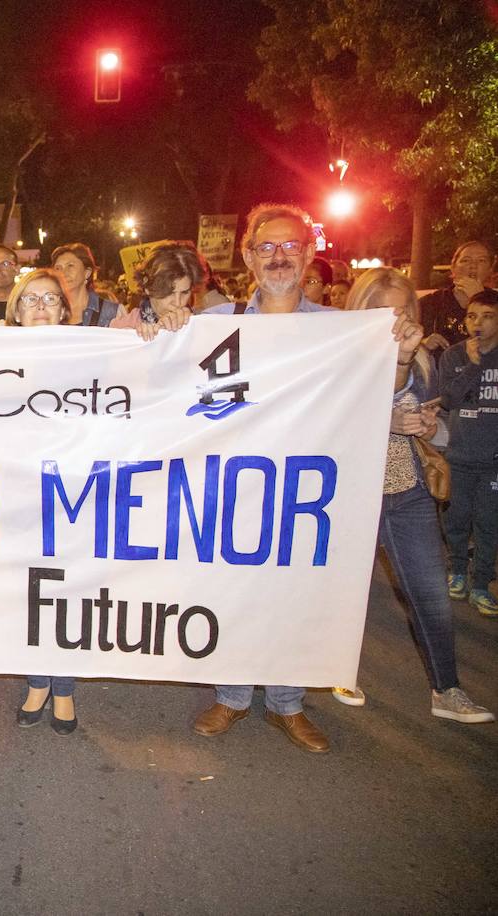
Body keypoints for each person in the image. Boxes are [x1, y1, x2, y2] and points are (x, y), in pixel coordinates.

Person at [194, 202, 333, 753]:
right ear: (249, 256)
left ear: (309, 254)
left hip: (306, 487)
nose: (279, 257)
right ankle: (231, 696)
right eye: (267, 247)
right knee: (236, 590)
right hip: (236, 485)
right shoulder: (216, 325)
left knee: (293, 594)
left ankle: (286, 704)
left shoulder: (339, 333)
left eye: (291, 246)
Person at [337, 268, 493, 723]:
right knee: (345, 594)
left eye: (403, 308)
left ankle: (447, 689)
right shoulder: (338, 356)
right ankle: (339, 670)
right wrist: (385, 419)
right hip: (351, 493)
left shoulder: (423, 357)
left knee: (431, 594)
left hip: (406, 490)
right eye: (384, 308)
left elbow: (423, 409)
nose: (396, 317)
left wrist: (426, 425)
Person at [0, 268, 81, 732]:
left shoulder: (93, 355)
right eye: (30, 300)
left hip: (73, 493)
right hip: (17, 496)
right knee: (30, 594)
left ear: (65, 310)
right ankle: (37, 682)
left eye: (50, 297)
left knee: (64, 591)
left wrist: (153, 330)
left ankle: (63, 688)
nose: (41, 305)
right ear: (16, 313)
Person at [440, 288, 498, 616]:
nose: (478, 323)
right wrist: (474, 366)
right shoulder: (455, 356)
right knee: (457, 519)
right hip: (459, 457)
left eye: (488, 316)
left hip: (492, 462)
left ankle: (482, 585)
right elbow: (448, 400)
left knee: (489, 523)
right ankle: (458, 572)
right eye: (472, 316)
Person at [110, 242, 203, 340]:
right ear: (147, 288)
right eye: (168, 293)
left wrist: (194, 329)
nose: (178, 302)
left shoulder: (200, 325)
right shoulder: (120, 329)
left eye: (185, 292)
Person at [420, 241, 495, 351]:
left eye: (481, 260)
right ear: (453, 268)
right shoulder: (429, 303)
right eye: (466, 260)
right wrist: (422, 344)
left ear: (490, 270)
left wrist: (479, 298)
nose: (473, 266)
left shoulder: (495, 302)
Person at [51, 243, 122, 326]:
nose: (63, 273)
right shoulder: (49, 311)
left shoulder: (111, 312)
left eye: (70, 266)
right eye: (58, 268)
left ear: (87, 273)